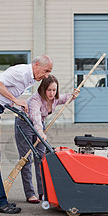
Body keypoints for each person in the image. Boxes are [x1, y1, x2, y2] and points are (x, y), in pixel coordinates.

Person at [0, 55, 53, 214]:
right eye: (46, 71)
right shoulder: (21, 72)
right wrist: (16, 100)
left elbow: (5, 92)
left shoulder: (30, 78)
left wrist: (13, 104)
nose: (46, 76)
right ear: (37, 65)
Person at [15, 74, 79, 203]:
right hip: (25, 124)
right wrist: (40, 131)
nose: (51, 93)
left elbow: (64, 98)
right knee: (26, 159)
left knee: (41, 159)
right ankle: (30, 194)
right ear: (43, 88)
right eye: (49, 90)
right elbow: (36, 116)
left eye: (54, 90)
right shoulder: (35, 100)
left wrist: (73, 95)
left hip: (39, 126)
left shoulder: (54, 98)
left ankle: (43, 192)